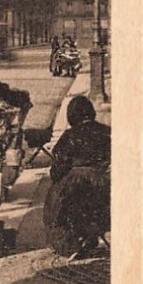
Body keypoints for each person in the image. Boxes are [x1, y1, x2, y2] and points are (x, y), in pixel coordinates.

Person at [44, 95, 110, 257]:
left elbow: (58, 169)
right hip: (107, 186)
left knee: (55, 203)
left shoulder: (70, 136)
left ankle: (69, 244)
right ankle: (91, 235)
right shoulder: (108, 132)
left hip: (77, 186)